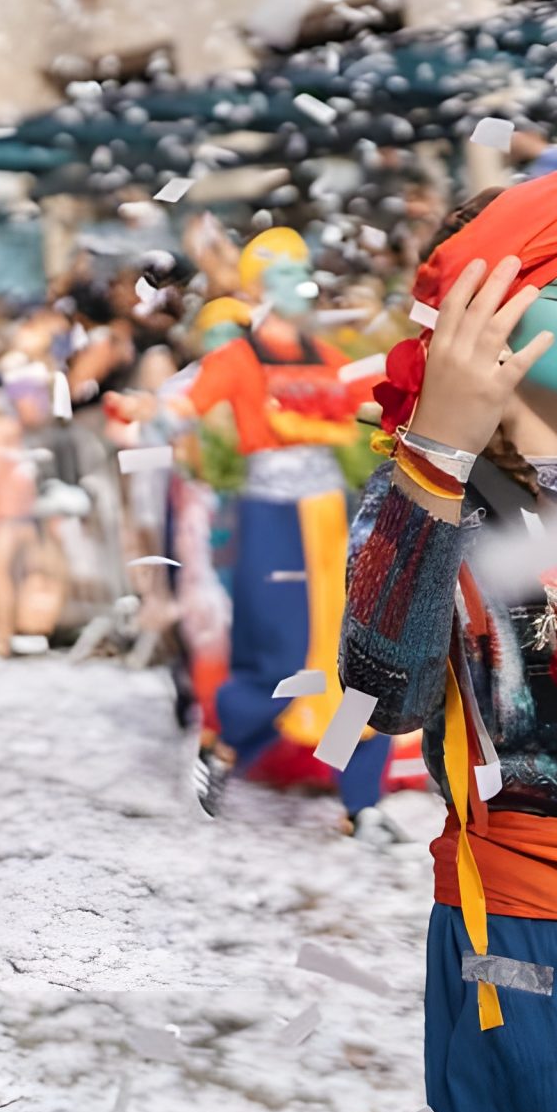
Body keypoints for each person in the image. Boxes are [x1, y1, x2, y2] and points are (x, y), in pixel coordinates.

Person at [341, 167, 557, 1112]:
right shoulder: (434, 507)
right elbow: (382, 694)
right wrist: (435, 453)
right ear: (488, 319)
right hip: (530, 933)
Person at [173, 227, 394, 833]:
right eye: (281, 275)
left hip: (332, 517)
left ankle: (361, 801)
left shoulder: (327, 358)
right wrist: (142, 417)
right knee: (281, 659)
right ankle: (225, 746)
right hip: (271, 516)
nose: (299, 285)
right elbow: (182, 406)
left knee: (356, 661)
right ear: (254, 290)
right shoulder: (236, 359)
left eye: (303, 271)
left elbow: (378, 399)